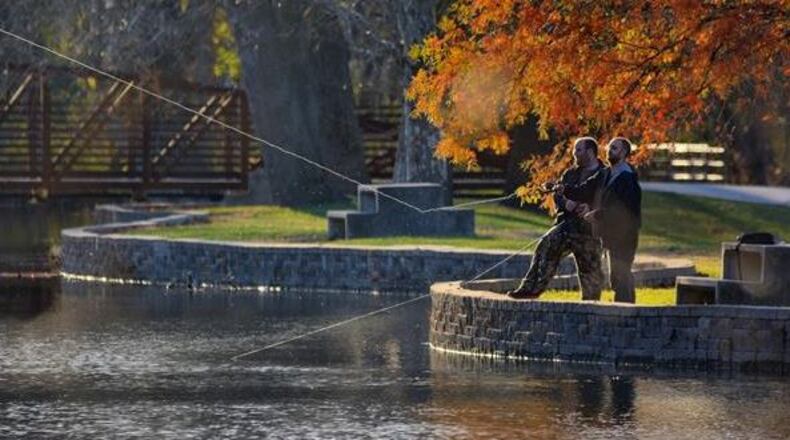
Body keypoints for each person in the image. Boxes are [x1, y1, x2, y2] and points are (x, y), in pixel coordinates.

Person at [506, 137, 605, 300]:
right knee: (544, 247)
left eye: (578, 150)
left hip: (591, 231)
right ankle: (529, 290)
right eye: (574, 150)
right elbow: (558, 194)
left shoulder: (604, 174)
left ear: (590, 152)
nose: (574, 153)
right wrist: (566, 203)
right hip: (566, 226)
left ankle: (591, 303)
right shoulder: (570, 173)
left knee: (590, 271)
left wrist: (590, 207)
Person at [561, 137, 642, 303]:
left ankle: (625, 312)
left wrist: (597, 215)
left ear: (624, 153)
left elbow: (623, 212)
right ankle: (626, 309)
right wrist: (564, 189)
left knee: (620, 276)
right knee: (617, 277)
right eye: (609, 147)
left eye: (614, 148)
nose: (609, 151)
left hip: (625, 235)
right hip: (611, 234)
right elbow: (585, 189)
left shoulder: (628, 178)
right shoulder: (605, 173)